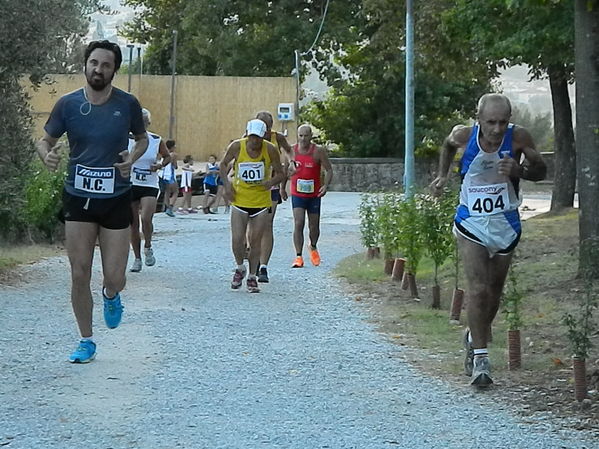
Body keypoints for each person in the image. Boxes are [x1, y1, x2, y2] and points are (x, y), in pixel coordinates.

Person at [36, 40, 148, 363]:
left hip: (115, 198)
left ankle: (111, 294)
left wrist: (133, 157)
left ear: (115, 70)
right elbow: (45, 141)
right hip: (78, 198)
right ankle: (86, 339)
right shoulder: (67, 105)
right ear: (85, 65)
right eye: (94, 63)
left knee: (115, 276)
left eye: (106, 65)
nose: (98, 70)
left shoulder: (127, 104)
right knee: (78, 271)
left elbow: (141, 140)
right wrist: (47, 157)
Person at [430, 93, 546, 386]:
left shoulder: (519, 137)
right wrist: (443, 176)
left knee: (494, 292)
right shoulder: (463, 134)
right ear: (478, 118)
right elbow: (446, 145)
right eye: (491, 122)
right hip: (471, 221)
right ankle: (481, 359)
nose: (496, 129)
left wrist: (519, 171)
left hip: (505, 221)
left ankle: (473, 335)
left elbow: (542, 169)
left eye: (502, 122)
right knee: (478, 288)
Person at [220, 119, 285, 293]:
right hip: (240, 199)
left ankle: (252, 277)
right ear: (247, 134)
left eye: (258, 138)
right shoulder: (237, 146)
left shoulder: (270, 149)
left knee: (255, 241)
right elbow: (222, 165)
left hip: (261, 202)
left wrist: (270, 182)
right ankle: (240, 267)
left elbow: (281, 173)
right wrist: (227, 186)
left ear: (264, 136)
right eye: (252, 137)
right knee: (237, 239)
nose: (254, 141)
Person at [253, 111, 293, 283]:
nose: (265, 131)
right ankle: (253, 257)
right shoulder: (249, 137)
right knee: (252, 225)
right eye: (262, 127)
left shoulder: (277, 138)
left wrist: (292, 161)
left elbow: (290, 151)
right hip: (252, 188)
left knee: (267, 224)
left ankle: (263, 267)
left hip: (272, 185)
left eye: (268, 127)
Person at [285, 124, 333, 268]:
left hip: (313, 194)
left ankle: (312, 246)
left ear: (311, 136)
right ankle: (298, 256)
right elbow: (284, 171)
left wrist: (325, 186)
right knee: (298, 223)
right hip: (297, 193)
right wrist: (282, 187)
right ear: (297, 136)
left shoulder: (318, 151)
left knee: (314, 226)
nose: (303, 139)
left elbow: (329, 170)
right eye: (300, 135)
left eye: (306, 135)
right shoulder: (291, 151)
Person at [129, 108, 171, 272]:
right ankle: (137, 258)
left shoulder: (155, 139)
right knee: (133, 223)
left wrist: (159, 165)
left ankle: (148, 246)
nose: (142, 125)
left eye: (144, 122)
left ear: (148, 123)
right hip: (131, 183)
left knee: (146, 218)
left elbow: (167, 156)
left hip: (149, 184)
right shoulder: (127, 139)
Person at [159, 140, 178, 217]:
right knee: (176, 191)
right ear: (172, 146)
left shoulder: (162, 153)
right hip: (170, 174)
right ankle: (170, 207)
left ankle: (167, 207)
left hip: (162, 175)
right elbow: (175, 166)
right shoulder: (173, 155)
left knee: (167, 192)